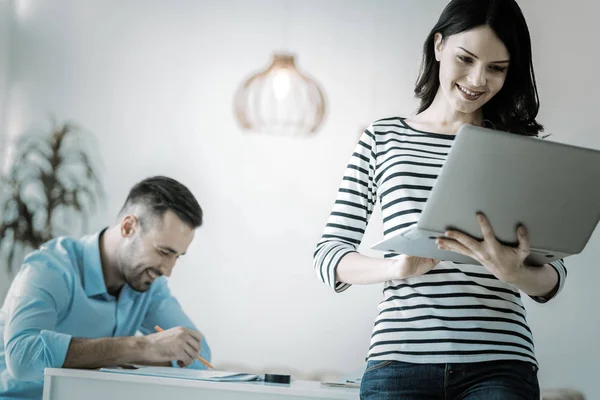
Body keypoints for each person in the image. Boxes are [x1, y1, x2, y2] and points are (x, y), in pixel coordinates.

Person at [313, 0, 567, 399]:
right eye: (465, 59)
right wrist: (397, 267)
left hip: (499, 363)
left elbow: (554, 276)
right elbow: (329, 255)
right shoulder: (383, 138)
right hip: (398, 360)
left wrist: (513, 272)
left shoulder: (518, 149)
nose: (477, 79)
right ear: (438, 46)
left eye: (497, 68)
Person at [0, 176, 211, 399]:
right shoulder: (50, 268)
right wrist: (142, 347)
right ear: (129, 227)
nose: (168, 270)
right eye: (164, 252)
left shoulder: (148, 285)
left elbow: (198, 355)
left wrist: (143, 350)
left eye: (177, 256)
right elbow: (23, 358)